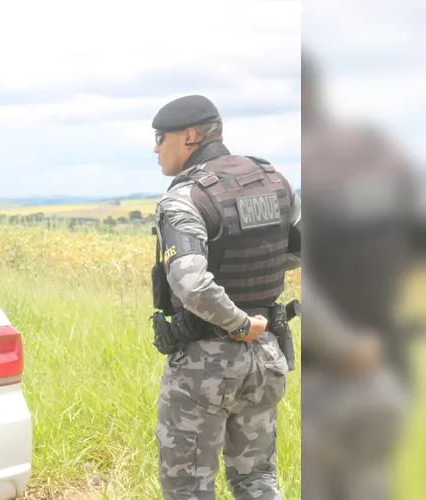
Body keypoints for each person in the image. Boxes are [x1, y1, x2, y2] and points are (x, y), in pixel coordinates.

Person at [148, 94, 302, 499]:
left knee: (188, 489)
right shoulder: (274, 181)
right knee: (256, 481)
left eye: (161, 137)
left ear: (190, 136)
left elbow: (192, 284)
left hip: (206, 364)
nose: (155, 147)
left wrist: (239, 323)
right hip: (267, 359)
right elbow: (301, 249)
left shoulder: (185, 197)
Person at [299, 48, 426, 500]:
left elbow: (298, 283)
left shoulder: (298, 167)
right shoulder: (379, 149)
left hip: (321, 383)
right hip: (386, 376)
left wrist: (347, 348)